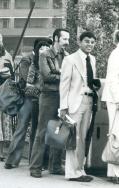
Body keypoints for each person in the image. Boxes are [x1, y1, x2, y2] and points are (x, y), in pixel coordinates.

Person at [4, 39, 52, 169]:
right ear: (37, 49)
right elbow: (26, 79)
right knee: (21, 128)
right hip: (28, 99)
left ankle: (35, 161)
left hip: (41, 99)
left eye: (47, 47)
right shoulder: (28, 60)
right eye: (41, 47)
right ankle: (12, 160)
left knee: (37, 130)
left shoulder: (50, 59)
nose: (44, 50)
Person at [30, 28, 70, 178]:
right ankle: (35, 167)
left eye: (68, 39)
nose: (67, 42)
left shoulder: (66, 56)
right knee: (42, 131)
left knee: (59, 131)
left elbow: (59, 75)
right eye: (65, 39)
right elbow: (47, 76)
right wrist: (64, 75)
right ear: (56, 39)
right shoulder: (44, 55)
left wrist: (58, 73)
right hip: (48, 96)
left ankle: (55, 166)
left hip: (62, 96)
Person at [59, 31, 99, 182]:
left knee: (83, 137)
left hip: (89, 101)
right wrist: (63, 107)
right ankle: (72, 172)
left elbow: (89, 79)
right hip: (75, 102)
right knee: (73, 137)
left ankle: (80, 170)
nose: (90, 44)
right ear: (80, 42)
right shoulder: (70, 59)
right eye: (87, 41)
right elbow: (64, 84)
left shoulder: (93, 59)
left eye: (92, 42)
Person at [102, 30, 119, 184]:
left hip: (115, 98)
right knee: (115, 134)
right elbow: (113, 79)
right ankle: (114, 173)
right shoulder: (116, 54)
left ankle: (114, 172)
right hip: (116, 99)